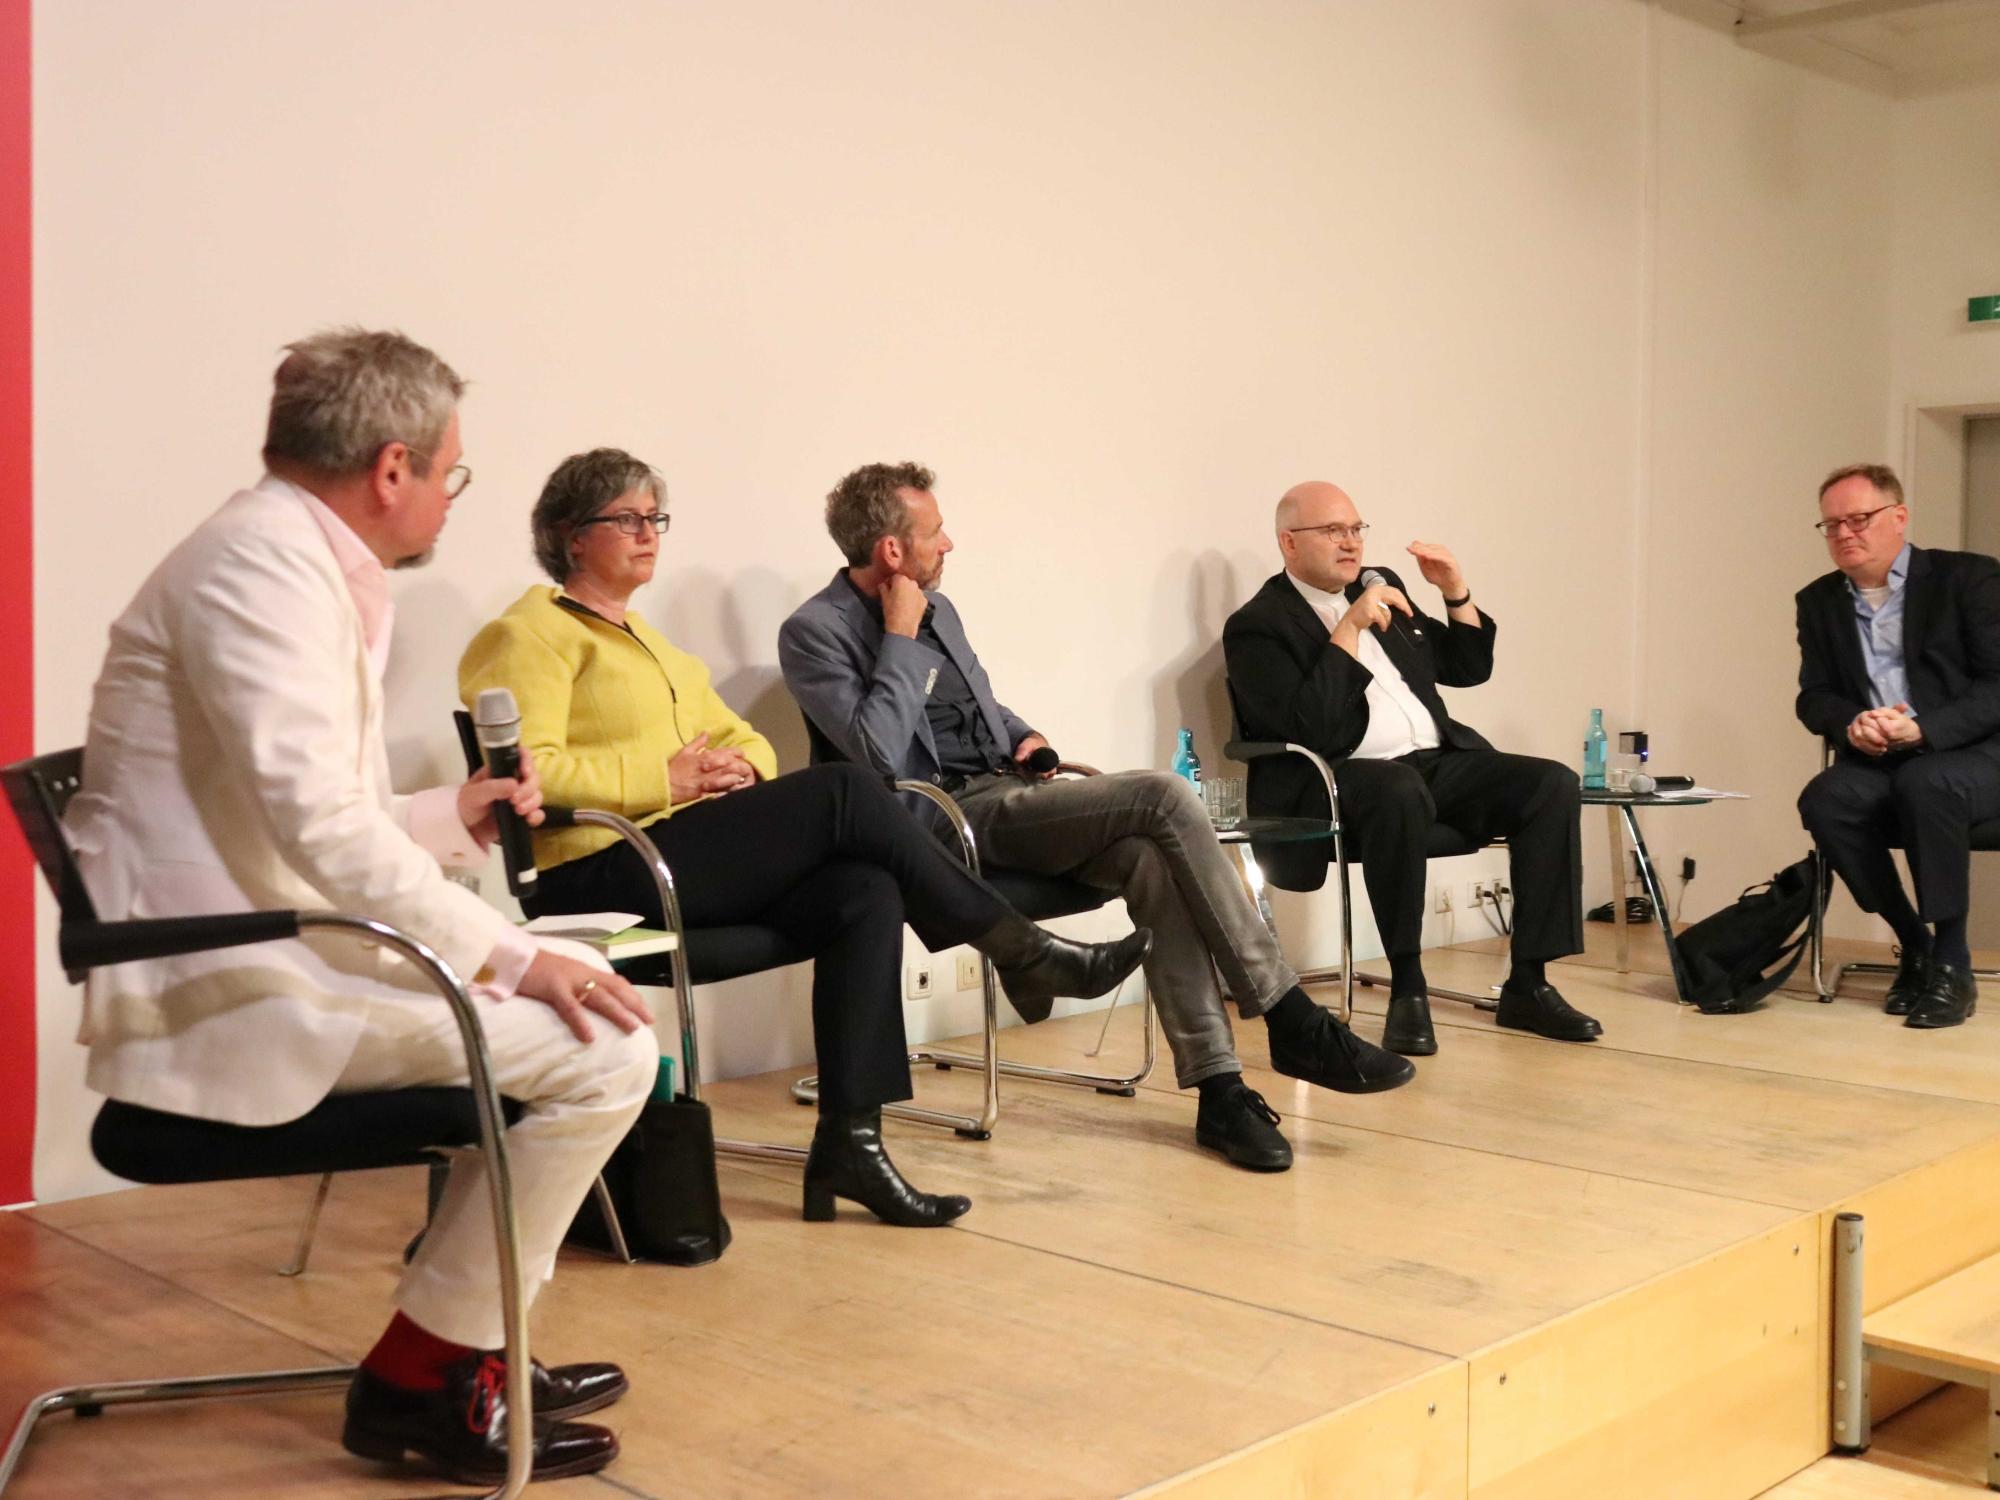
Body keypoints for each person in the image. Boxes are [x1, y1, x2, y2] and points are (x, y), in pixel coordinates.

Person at [69, 330, 655, 1485]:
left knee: (594, 1023)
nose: (449, 499)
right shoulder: (259, 567)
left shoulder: (282, 554)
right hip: (231, 983)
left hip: (271, 942)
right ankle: (425, 1370)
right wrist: (509, 957)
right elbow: (317, 826)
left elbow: (320, 807)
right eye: (451, 473)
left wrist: (453, 816)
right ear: (392, 469)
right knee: (607, 1049)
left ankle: (474, 1338)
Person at [458, 448, 1149, 1225]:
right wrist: (668, 777)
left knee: (864, 889)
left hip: (686, 855)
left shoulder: (659, 649)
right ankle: (1023, 949)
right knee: (850, 786)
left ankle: (851, 1144)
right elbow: (526, 776)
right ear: (568, 536)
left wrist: (738, 768)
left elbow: (746, 740)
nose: (648, 532)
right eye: (625, 518)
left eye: (655, 517)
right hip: (599, 872)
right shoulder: (529, 633)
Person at [778, 461, 1414, 1178]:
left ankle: (1220, 1090)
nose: (949, 543)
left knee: (1150, 853)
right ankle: (1287, 1013)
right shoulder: (814, 633)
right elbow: (877, 755)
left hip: (1008, 791)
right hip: (938, 823)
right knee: (1165, 795)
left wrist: (1024, 735)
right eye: (934, 532)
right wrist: (898, 638)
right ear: (891, 550)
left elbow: (980, 707)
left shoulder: (942, 611)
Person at [1222, 480, 1597, 1056]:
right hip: (1333, 779)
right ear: (1289, 543)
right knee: (1394, 788)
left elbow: (1467, 668)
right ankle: (1408, 988)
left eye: (1355, 529)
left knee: (1551, 783)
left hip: (1433, 762)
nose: (1350, 544)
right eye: (1332, 531)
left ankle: (1529, 982)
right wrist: (1348, 627)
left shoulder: (1383, 586)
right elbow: (1313, 730)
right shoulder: (1259, 625)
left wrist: (1455, 593)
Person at [1796, 462, 2000, 1029]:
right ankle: (1914, 944)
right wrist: (1851, 721)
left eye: (1858, 519)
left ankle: (1953, 962)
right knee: (1825, 798)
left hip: (1976, 757)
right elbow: (1813, 697)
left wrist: (1927, 730)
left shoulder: (1970, 579)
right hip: (1882, 759)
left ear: (1899, 517)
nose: (1844, 534)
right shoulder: (1819, 602)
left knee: (1926, 781)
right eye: (1831, 525)